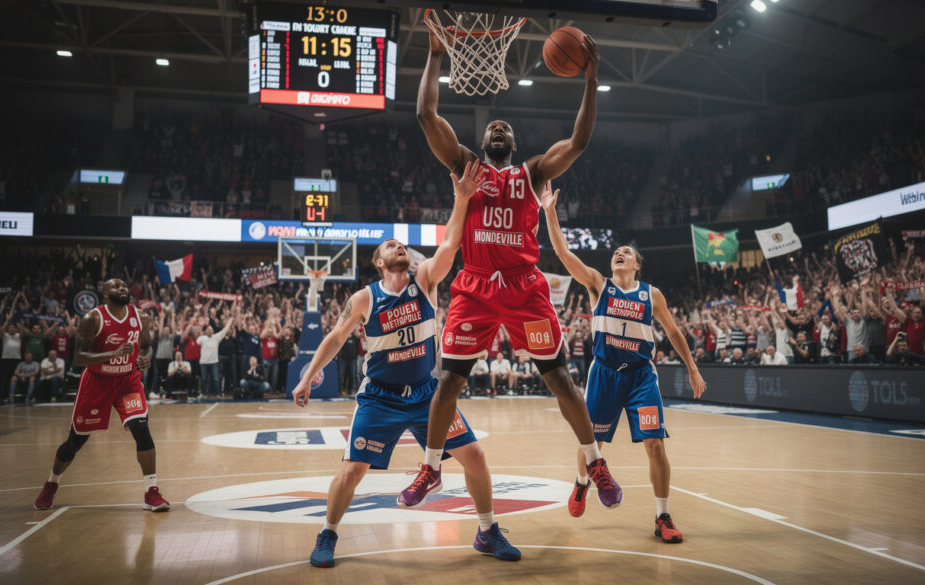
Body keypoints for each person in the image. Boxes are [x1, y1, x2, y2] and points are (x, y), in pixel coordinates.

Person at [405, 26, 623, 511]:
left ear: (514, 142)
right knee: (448, 382)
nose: (498, 128)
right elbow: (425, 114)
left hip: (525, 288)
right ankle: (432, 467)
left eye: (506, 128)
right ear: (483, 141)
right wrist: (436, 56)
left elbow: (580, 142)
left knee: (560, 378)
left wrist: (590, 78)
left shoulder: (534, 172)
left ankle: (594, 462)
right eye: (492, 127)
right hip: (476, 287)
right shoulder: (466, 167)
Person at [292, 160, 520, 568]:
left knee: (476, 457)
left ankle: (487, 531)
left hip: (428, 396)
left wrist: (461, 199)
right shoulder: (365, 298)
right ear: (379, 262)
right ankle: (327, 534)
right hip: (379, 398)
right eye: (390, 247)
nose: (399, 248)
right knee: (353, 471)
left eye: (402, 246)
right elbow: (335, 337)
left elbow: (450, 244)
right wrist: (309, 376)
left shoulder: (426, 281)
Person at [542, 182, 706, 543]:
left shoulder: (653, 294)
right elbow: (564, 253)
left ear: (636, 265)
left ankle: (663, 516)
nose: (619, 254)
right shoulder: (599, 284)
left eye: (626, 252)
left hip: (641, 377)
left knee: (656, 445)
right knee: (591, 442)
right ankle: (583, 482)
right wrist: (550, 212)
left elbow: (675, 334)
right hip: (604, 374)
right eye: (616, 251)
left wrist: (692, 368)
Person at [33, 278, 169, 512]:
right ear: (105, 294)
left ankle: (151, 492)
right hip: (97, 383)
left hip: (128, 381)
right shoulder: (92, 319)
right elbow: (79, 357)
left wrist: (144, 357)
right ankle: (51, 483)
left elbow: (146, 345)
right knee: (75, 442)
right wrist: (112, 353)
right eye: (115, 287)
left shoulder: (140, 317)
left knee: (141, 428)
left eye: (124, 285)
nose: (122, 288)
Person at [198, 312, 235, 397]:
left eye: (211, 329)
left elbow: (225, 329)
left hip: (214, 362)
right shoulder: (202, 338)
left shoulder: (216, 337)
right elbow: (198, 339)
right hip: (203, 362)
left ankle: (218, 393)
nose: (210, 330)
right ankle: (203, 393)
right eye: (208, 329)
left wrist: (230, 321)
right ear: (205, 331)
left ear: (213, 331)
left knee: (216, 378)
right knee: (203, 379)